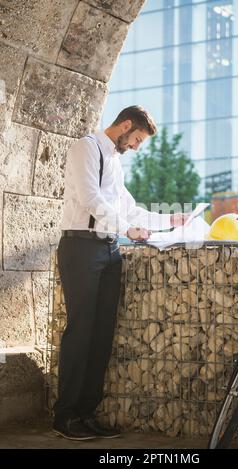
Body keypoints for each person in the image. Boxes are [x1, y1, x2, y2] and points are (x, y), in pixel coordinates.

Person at [52, 105, 188, 440]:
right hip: (81, 247)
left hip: (109, 251)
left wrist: (169, 220)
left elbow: (131, 209)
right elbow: (90, 199)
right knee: (81, 332)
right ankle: (65, 416)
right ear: (125, 125)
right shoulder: (86, 147)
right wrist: (129, 229)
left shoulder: (114, 162)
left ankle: (86, 414)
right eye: (137, 139)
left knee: (101, 335)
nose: (136, 146)